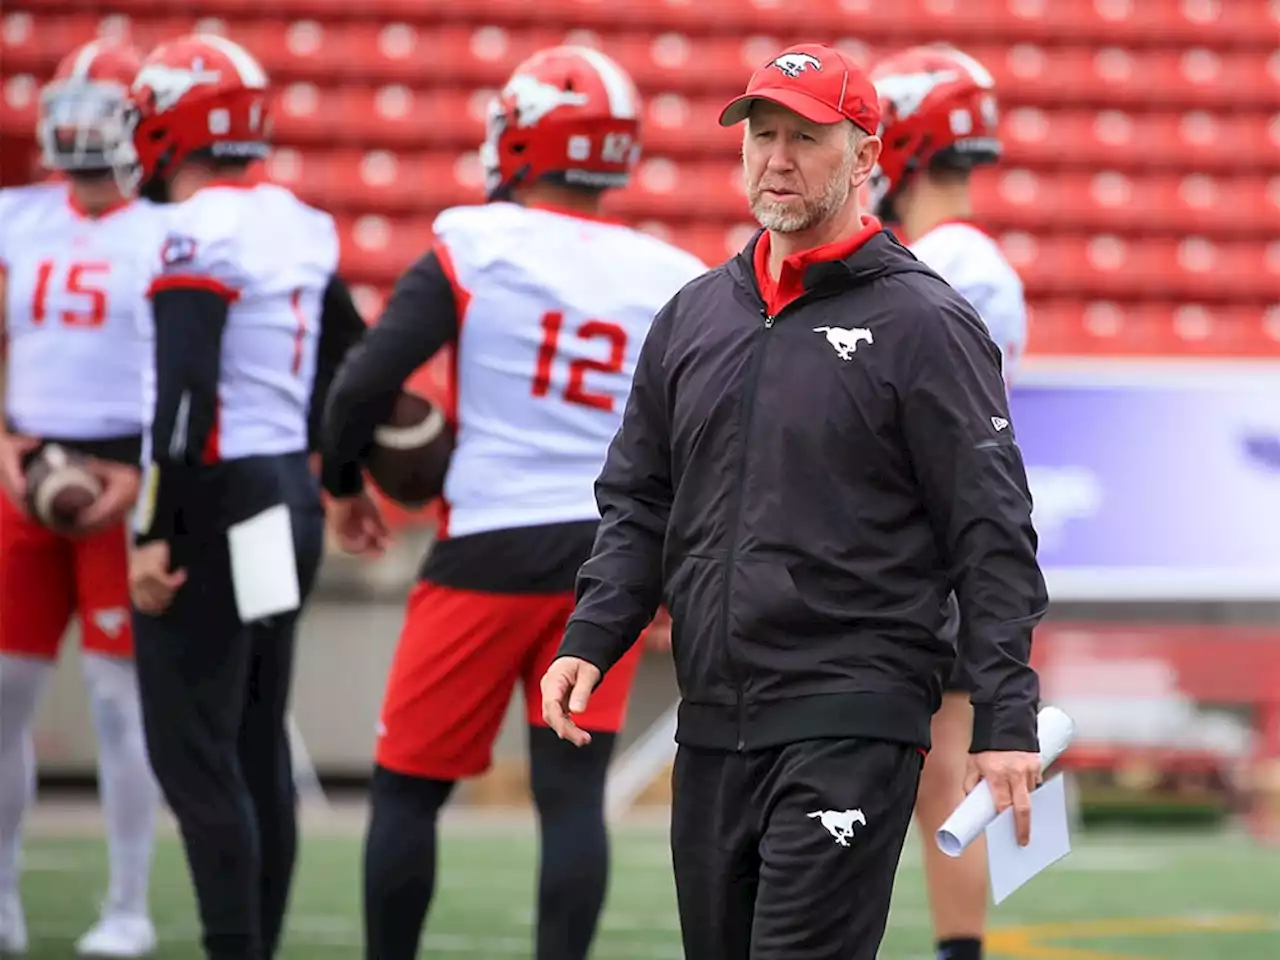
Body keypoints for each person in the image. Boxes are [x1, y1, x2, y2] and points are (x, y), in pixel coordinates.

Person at [540, 42, 1048, 960]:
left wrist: (1005, 718)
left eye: (807, 139)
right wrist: (594, 632)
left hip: (853, 714)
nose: (778, 158)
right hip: (714, 719)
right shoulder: (693, 315)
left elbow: (992, 528)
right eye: (762, 134)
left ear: (865, 159)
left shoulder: (927, 322)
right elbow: (640, 499)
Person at [320, 45, 706, 960]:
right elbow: (703, 431)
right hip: (609, 557)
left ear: (522, 139)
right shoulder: (670, 272)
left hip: (487, 544)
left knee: (409, 787)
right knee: (571, 797)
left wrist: (343, 487)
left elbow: (360, 385)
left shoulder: (475, 242)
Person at [108, 33, 365, 960]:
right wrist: (340, 481)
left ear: (172, 124)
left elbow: (184, 401)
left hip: (214, 502)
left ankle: (232, 945)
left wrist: (154, 529)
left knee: (195, 753)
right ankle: (254, 943)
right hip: (281, 499)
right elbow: (349, 360)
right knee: (255, 743)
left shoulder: (197, 228)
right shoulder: (297, 220)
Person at [0, 38, 161, 958]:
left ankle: (130, 901)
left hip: (120, 475)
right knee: (7, 690)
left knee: (116, 701)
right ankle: (4, 898)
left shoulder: (166, 227)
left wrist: (141, 472)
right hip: (24, 472)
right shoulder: (20, 216)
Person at [868, 44, 1030, 960]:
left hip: (917, 544)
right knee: (943, 781)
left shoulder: (944, 262)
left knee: (904, 772)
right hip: (954, 534)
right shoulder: (968, 258)